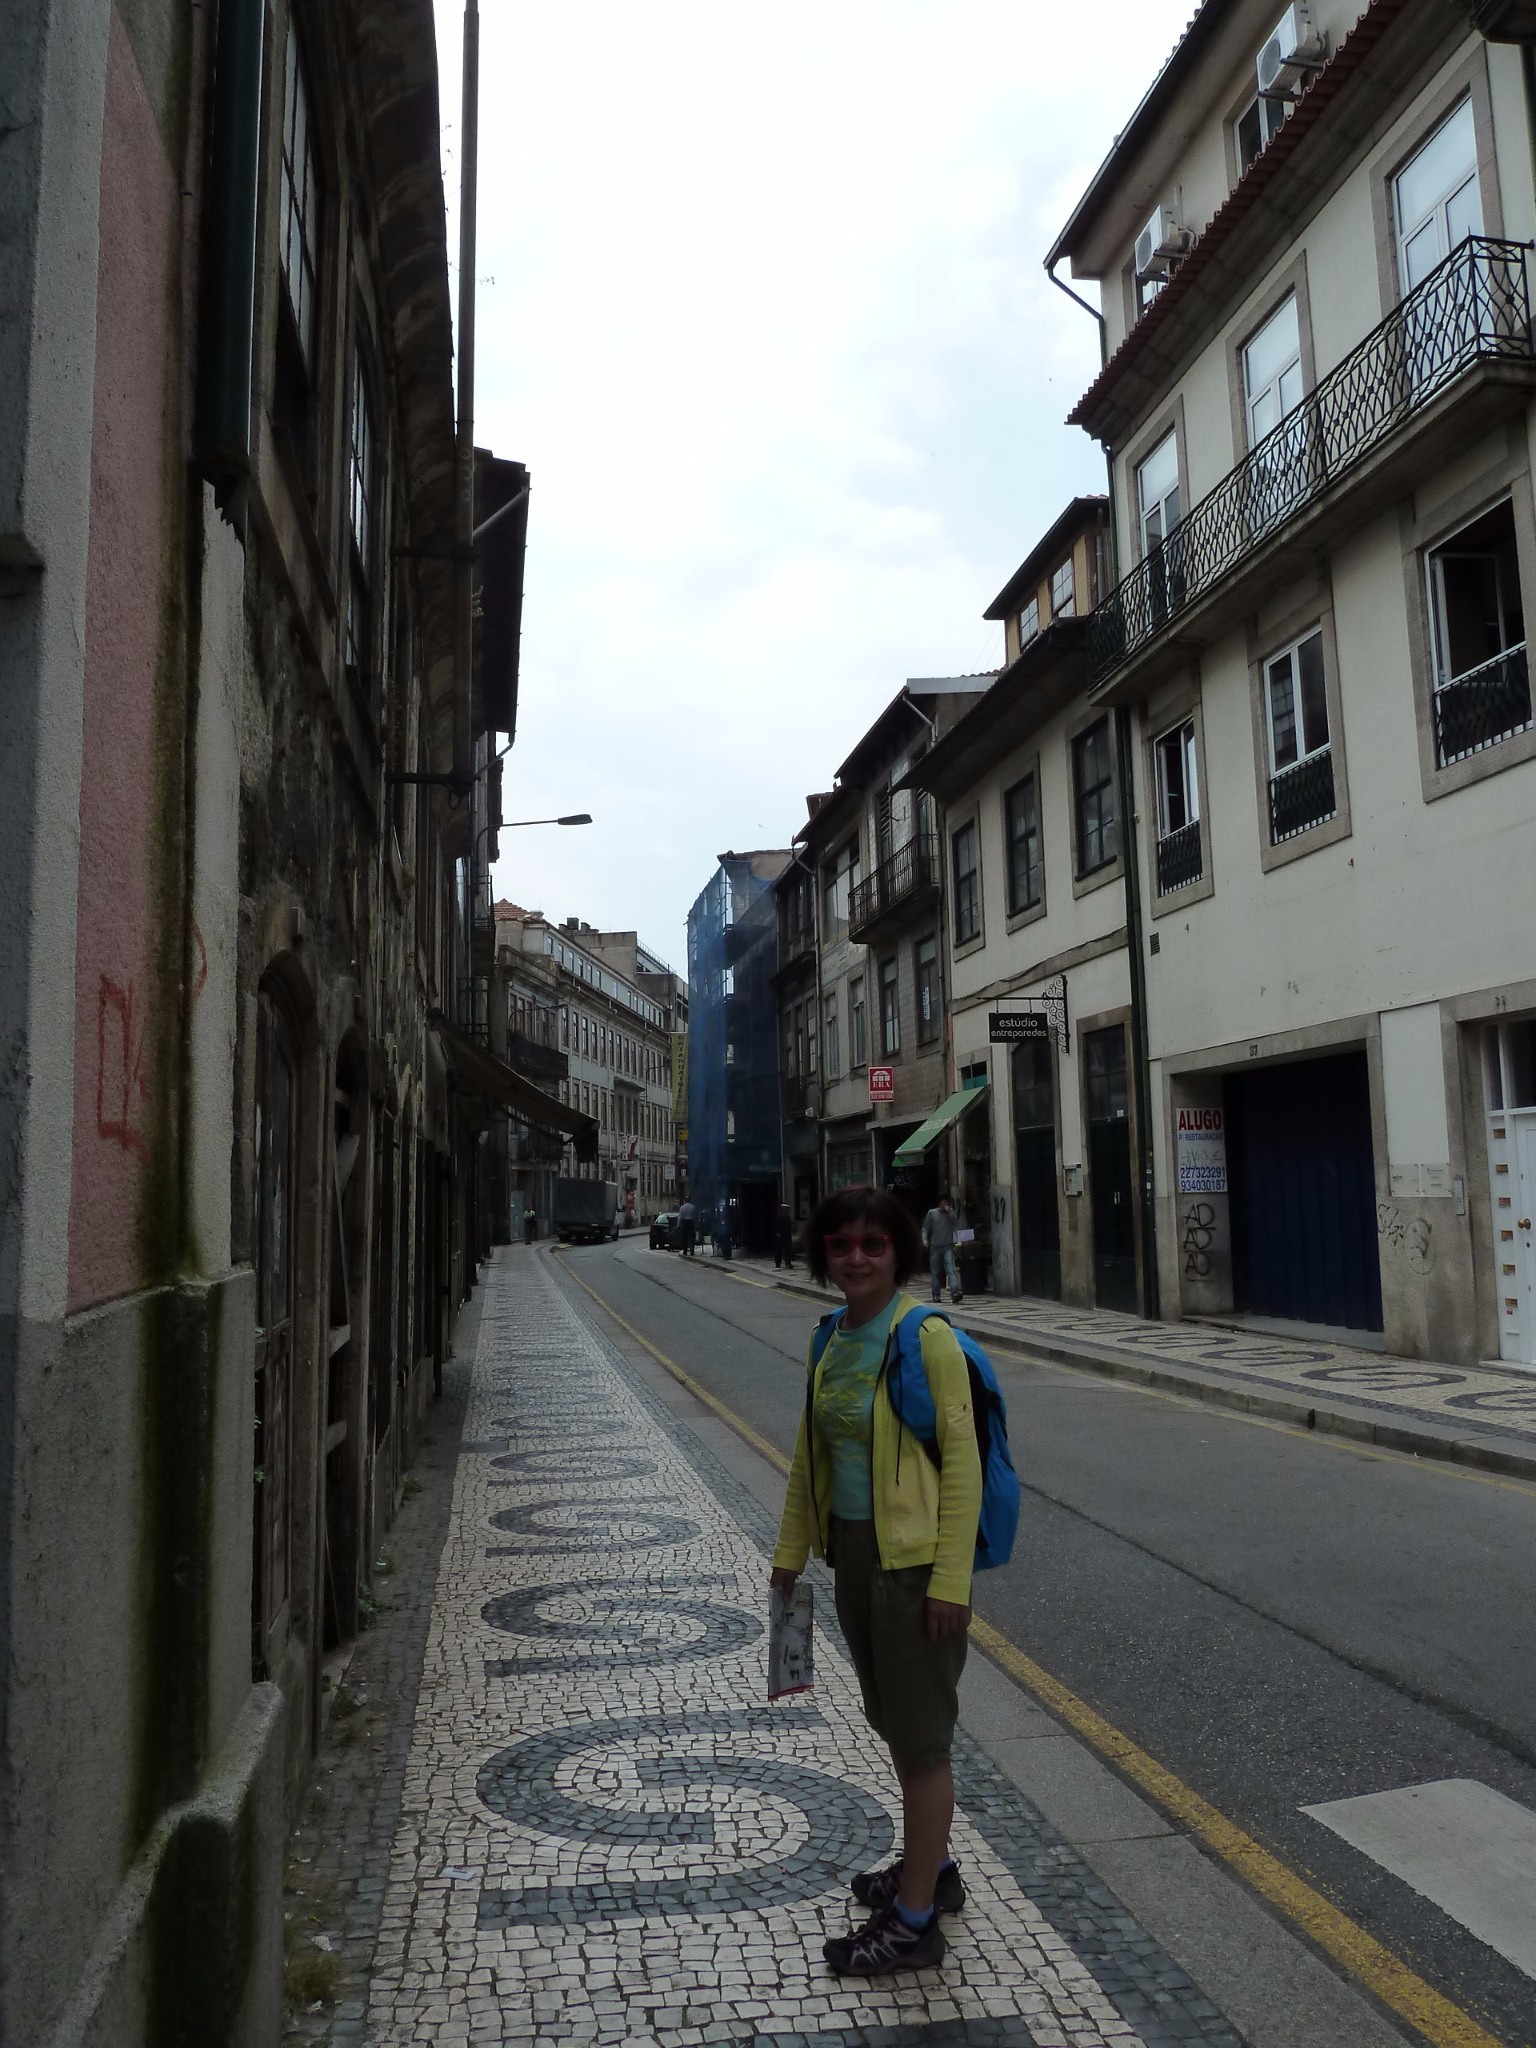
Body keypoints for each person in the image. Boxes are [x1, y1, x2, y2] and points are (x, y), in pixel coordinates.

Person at [770, 1186, 982, 1978]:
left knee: (922, 1742)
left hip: (916, 1565)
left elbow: (963, 1468)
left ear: (900, 1253)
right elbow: (809, 1454)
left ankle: (915, 1923)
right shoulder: (829, 1337)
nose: (855, 1258)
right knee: (893, 1722)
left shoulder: (927, 1339)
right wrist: (790, 1552)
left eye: (873, 1244)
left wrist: (950, 1582)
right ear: (822, 1254)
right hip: (854, 1556)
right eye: (840, 1245)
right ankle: (935, 1868)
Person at [921, 1193, 962, 1306]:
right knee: (935, 1272)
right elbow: (925, 1227)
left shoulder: (950, 1213)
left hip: (947, 1245)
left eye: (946, 1202)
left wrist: (950, 1212)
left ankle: (954, 1292)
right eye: (943, 1202)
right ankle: (936, 1294)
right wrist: (924, 1239)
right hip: (935, 1246)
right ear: (939, 1203)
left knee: (950, 1269)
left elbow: (956, 1223)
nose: (945, 1204)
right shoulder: (932, 1213)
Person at [773, 1201, 795, 1269]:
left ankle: (788, 1263)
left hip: (787, 1236)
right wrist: (777, 1233)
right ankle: (777, 1263)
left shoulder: (788, 1218)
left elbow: (789, 1227)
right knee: (778, 1250)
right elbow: (774, 1226)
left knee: (788, 1250)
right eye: (786, 1209)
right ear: (783, 1209)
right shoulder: (778, 1217)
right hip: (780, 1236)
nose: (787, 1211)